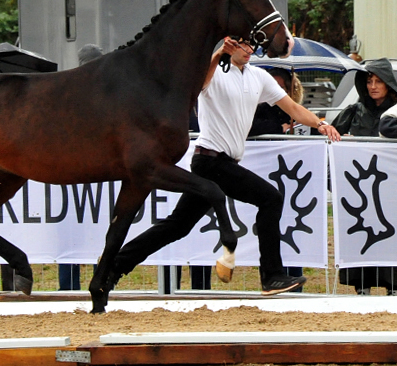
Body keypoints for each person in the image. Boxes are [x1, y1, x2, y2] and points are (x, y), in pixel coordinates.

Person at [111, 37, 341, 296]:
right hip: (209, 160)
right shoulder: (215, 73)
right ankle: (272, 276)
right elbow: (200, 81)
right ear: (230, 46)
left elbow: (293, 108)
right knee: (270, 198)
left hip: (222, 163)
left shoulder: (259, 76)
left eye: (251, 45)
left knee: (177, 226)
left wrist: (320, 124)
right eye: (242, 44)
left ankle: (115, 264)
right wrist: (218, 52)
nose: (249, 50)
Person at [332, 57, 397, 295]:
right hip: (357, 191)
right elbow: (330, 141)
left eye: (379, 81)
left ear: (389, 84)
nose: (373, 86)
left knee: (391, 235)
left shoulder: (395, 113)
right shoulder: (353, 112)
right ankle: (362, 287)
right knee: (360, 233)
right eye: (369, 80)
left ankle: (393, 288)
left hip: (390, 192)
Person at [248, 67, 306, 291]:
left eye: (281, 87)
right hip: (265, 176)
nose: (276, 91)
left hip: (293, 182)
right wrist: (277, 128)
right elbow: (248, 127)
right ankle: (272, 275)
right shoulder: (258, 109)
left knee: (293, 230)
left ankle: (290, 279)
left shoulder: (294, 109)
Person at [57, 44, 104, 291]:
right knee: (71, 233)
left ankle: (97, 280)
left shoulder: (107, 91)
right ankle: (68, 287)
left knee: (94, 232)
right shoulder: (72, 91)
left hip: (93, 173)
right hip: (74, 171)